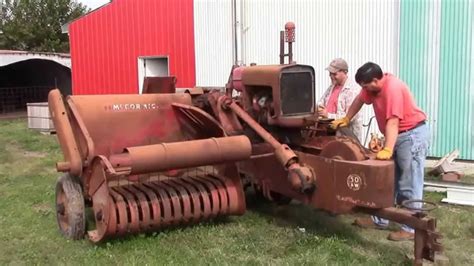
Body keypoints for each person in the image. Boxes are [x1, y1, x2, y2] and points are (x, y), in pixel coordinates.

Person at [330, 62, 430, 241]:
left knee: (409, 181)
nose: (364, 90)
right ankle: (380, 220)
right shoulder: (372, 88)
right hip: (397, 135)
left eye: (366, 86)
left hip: (411, 135)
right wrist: (346, 118)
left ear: (375, 80)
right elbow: (359, 100)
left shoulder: (393, 89)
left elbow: (393, 122)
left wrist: (388, 148)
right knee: (389, 179)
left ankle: (411, 228)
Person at [318, 58, 363, 142]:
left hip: (347, 137)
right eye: (330, 74)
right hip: (330, 133)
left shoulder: (353, 90)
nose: (331, 76)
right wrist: (318, 108)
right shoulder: (332, 87)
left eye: (334, 74)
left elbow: (350, 117)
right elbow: (321, 102)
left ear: (345, 72)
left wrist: (328, 115)